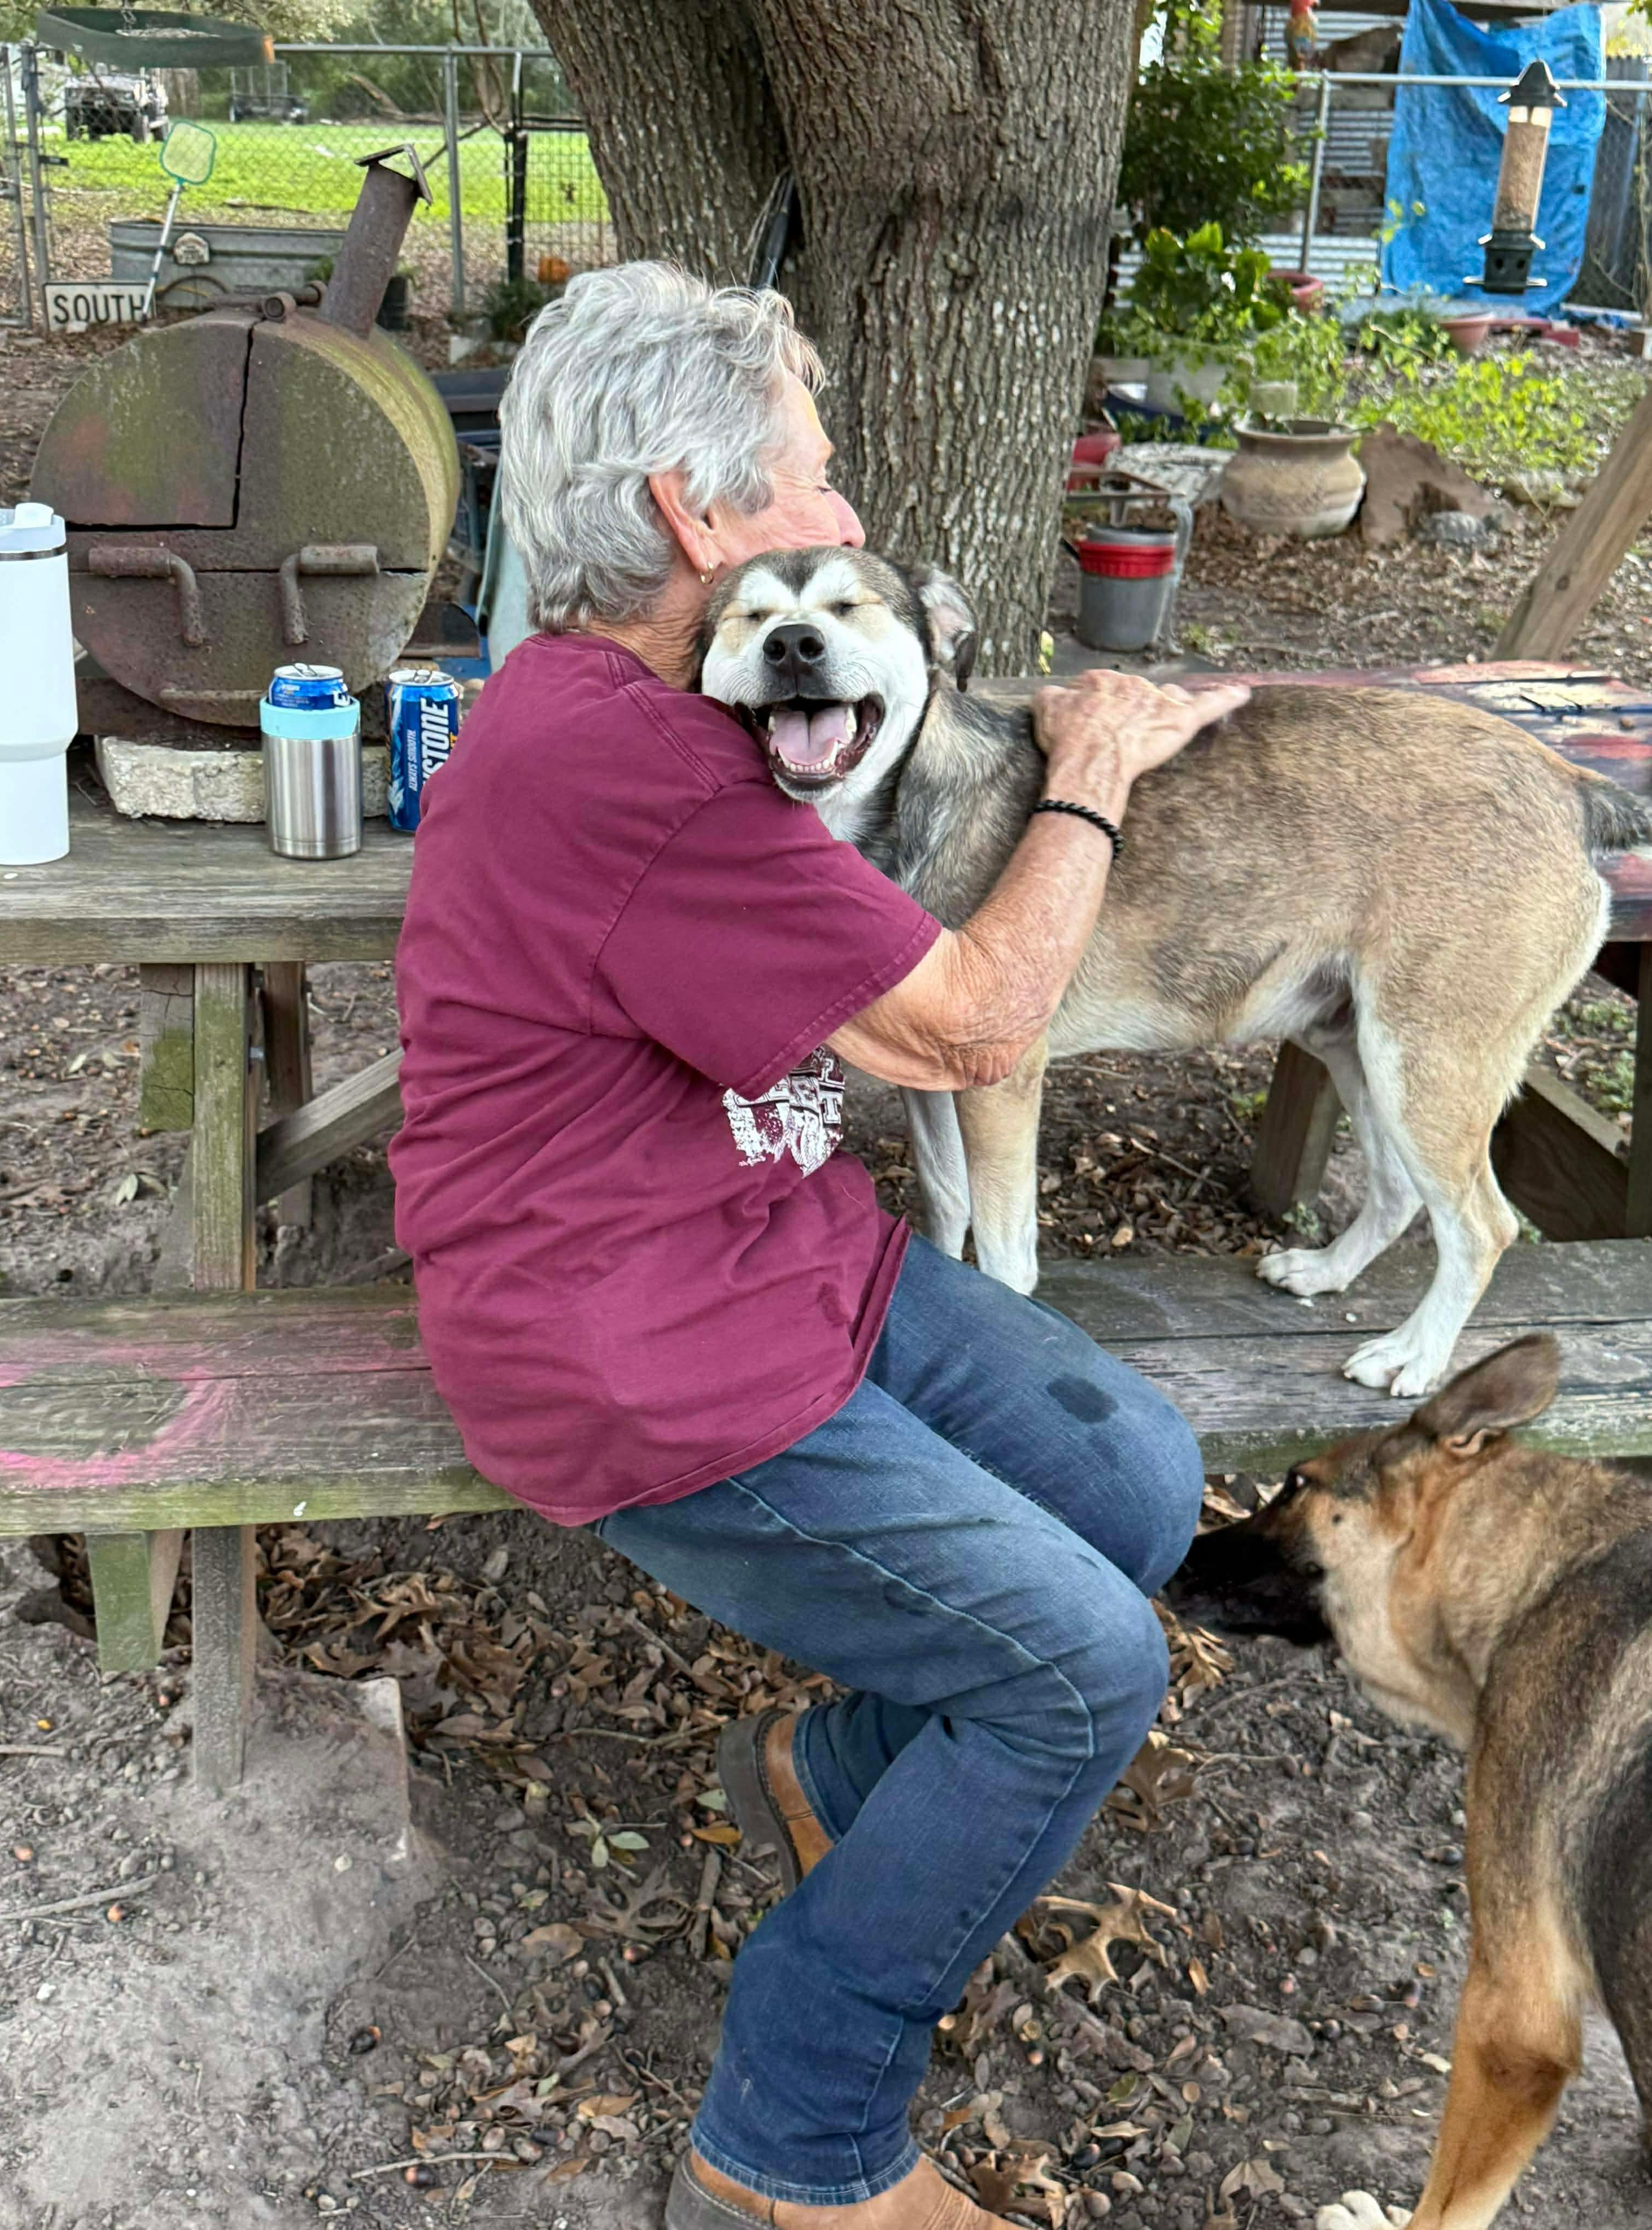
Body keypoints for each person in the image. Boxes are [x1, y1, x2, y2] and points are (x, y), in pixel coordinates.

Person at [389, 263, 1249, 2230]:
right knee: (1076, 1672)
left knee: (1137, 1476)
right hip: (636, 1354)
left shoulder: (618, 704)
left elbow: (879, 1023)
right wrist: (1094, 770)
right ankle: (799, 2138)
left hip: (771, 1250)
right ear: (699, 518)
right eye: (815, 473)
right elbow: (973, 1029)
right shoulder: (635, 768)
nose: (846, 514)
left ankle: (838, 1779)